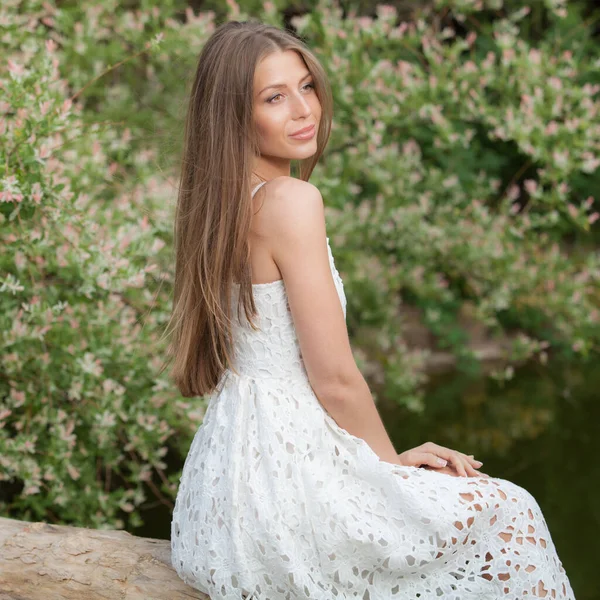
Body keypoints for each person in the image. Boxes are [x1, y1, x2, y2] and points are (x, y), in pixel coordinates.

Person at [167, 20, 575, 600]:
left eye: (306, 86)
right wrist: (392, 471)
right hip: (289, 486)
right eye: (274, 97)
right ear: (234, 114)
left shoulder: (219, 206)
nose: (303, 109)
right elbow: (334, 380)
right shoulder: (291, 201)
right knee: (512, 512)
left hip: (226, 487)